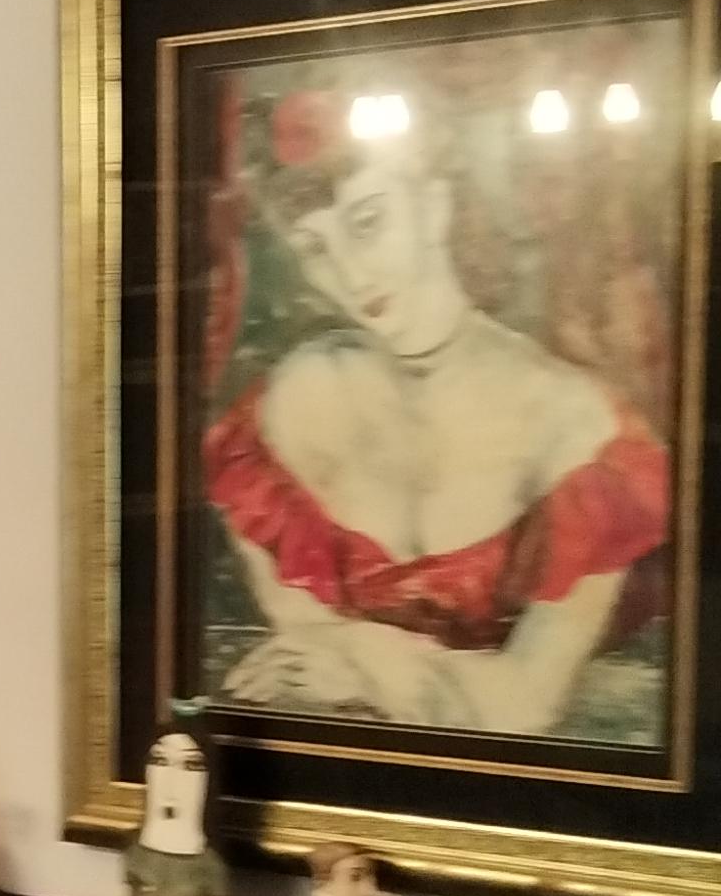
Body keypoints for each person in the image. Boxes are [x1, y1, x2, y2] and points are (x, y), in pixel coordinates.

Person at [204, 111, 668, 740]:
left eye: (368, 222)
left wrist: (371, 663)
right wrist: (390, 670)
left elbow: (526, 706)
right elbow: (299, 656)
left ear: (433, 203)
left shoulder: (574, 425)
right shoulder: (290, 404)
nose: (353, 274)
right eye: (314, 247)